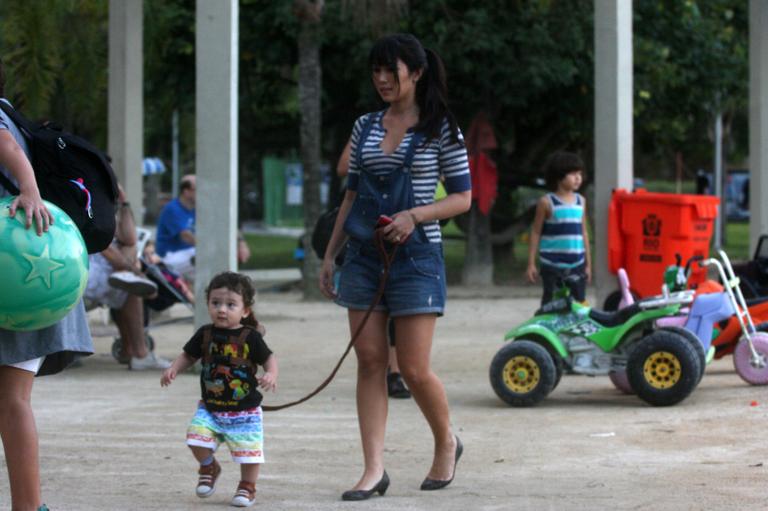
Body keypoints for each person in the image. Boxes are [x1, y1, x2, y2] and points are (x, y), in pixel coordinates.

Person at [318, 33, 471, 500]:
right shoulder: (364, 126)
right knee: (369, 361)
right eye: (376, 70)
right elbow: (351, 195)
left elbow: (465, 198)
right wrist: (330, 254)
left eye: (392, 70)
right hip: (364, 257)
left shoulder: (442, 128)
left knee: (414, 369)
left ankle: (446, 441)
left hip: (418, 258)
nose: (382, 79)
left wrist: (414, 216)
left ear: (417, 73)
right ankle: (373, 470)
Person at [0, 57, 93, 511]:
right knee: (13, 401)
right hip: (37, 273)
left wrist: (29, 190)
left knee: (12, 401)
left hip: (22, 272)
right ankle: (28, 506)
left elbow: (10, 154)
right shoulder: (9, 114)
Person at [161, 272, 277, 508]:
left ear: (245, 310)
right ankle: (209, 466)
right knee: (195, 439)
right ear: (208, 305)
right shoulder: (205, 333)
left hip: (245, 411)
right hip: (211, 408)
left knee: (249, 453)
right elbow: (188, 355)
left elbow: (269, 358)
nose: (222, 309)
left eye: (230, 304)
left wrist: (271, 374)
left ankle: (247, 486)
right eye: (216, 303)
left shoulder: (250, 337)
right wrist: (173, 368)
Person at [337, 137, 411, 400]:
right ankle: (391, 370)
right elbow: (343, 168)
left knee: (399, 315)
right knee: (376, 320)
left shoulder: (426, 130)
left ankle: (397, 370)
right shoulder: (366, 129)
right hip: (366, 231)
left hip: (408, 237)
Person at [84, 183, 171, 370]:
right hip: (84, 268)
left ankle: (128, 349)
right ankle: (139, 353)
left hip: (110, 268)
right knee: (129, 289)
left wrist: (124, 203)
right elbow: (103, 245)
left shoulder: (104, 207)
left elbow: (130, 238)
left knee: (129, 252)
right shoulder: (86, 202)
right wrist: (135, 271)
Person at [526, 151, 592, 305]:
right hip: (552, 265)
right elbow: (536, 232)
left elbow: (584, 233)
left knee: (578, 304)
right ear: (559, 176)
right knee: (551, 304)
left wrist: (588, 265)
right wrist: (531, 263)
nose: (578, 178)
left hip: (577, 264)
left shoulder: (581, 201)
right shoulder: (546, 202)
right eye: (573, 174)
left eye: (580, 174)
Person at [155, 175, 251, 280]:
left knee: (217, 265)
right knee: (210, 259)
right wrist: (213, 249)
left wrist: (241, 243)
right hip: (170, 257)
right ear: (186, 191)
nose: (203, 192)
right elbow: (186, 236)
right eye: (198, 189)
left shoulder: (199, 208)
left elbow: (224, 222)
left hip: (191, 253)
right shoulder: (172, 209)